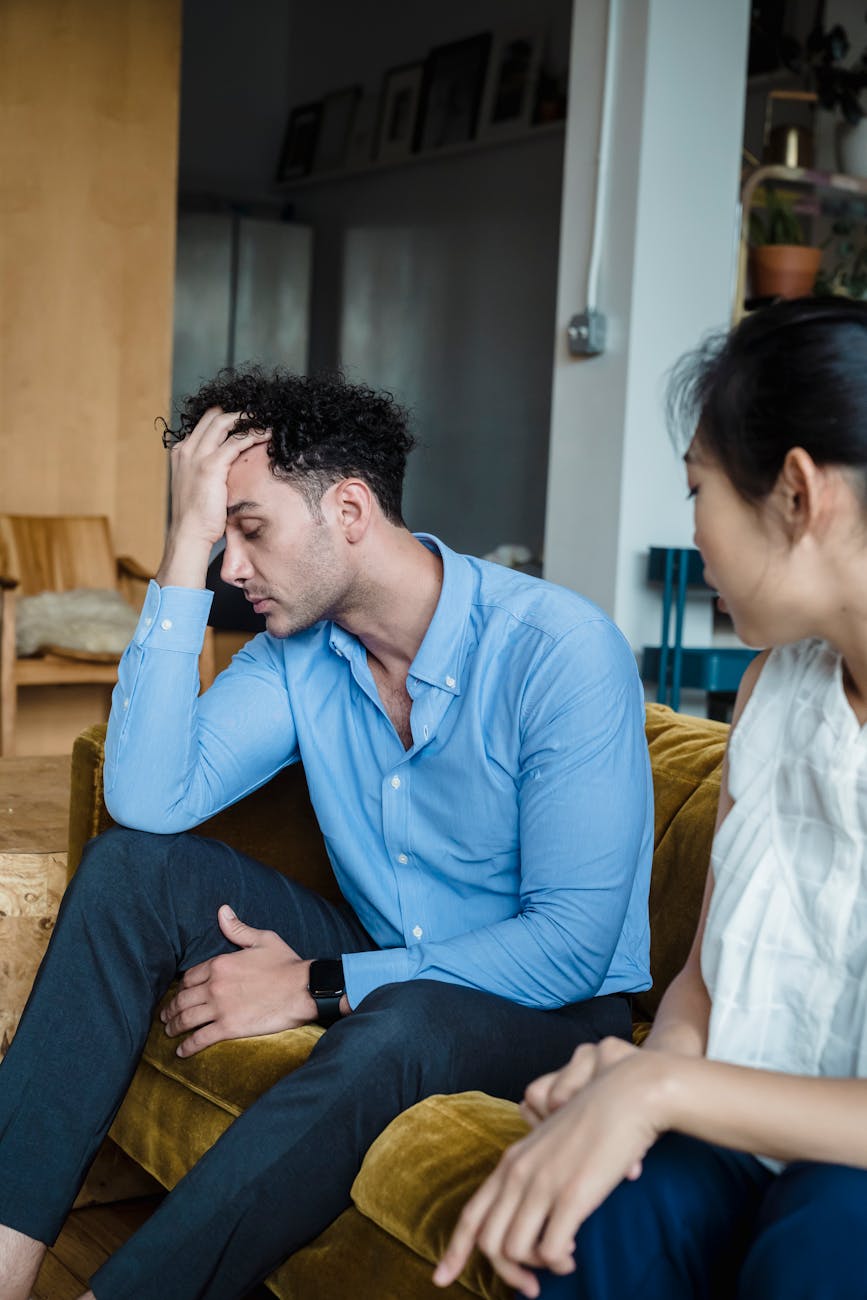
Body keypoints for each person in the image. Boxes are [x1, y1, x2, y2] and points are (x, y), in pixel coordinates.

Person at [0, 368, 653, 1300]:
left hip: (544, 1006)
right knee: (130, 871)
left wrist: (315, 987)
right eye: (219, 537)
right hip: (385, 953)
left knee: (400, 1024)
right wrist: (185, 541)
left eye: (249, 529)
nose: (231, 567)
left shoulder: (557, 651)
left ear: (348, 508)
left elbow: (571, 948)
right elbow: (149, 797)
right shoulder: (295, 652)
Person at [434, 296, 867, 1300]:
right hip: (741, 1126)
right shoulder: (773, 691)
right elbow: (703, 987)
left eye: (698, 491)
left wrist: (658, 1086)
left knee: (829, 1236)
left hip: (842, 1169)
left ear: (797, 495)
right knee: (602, 1220)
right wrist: (637, 1078)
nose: (696, 537)